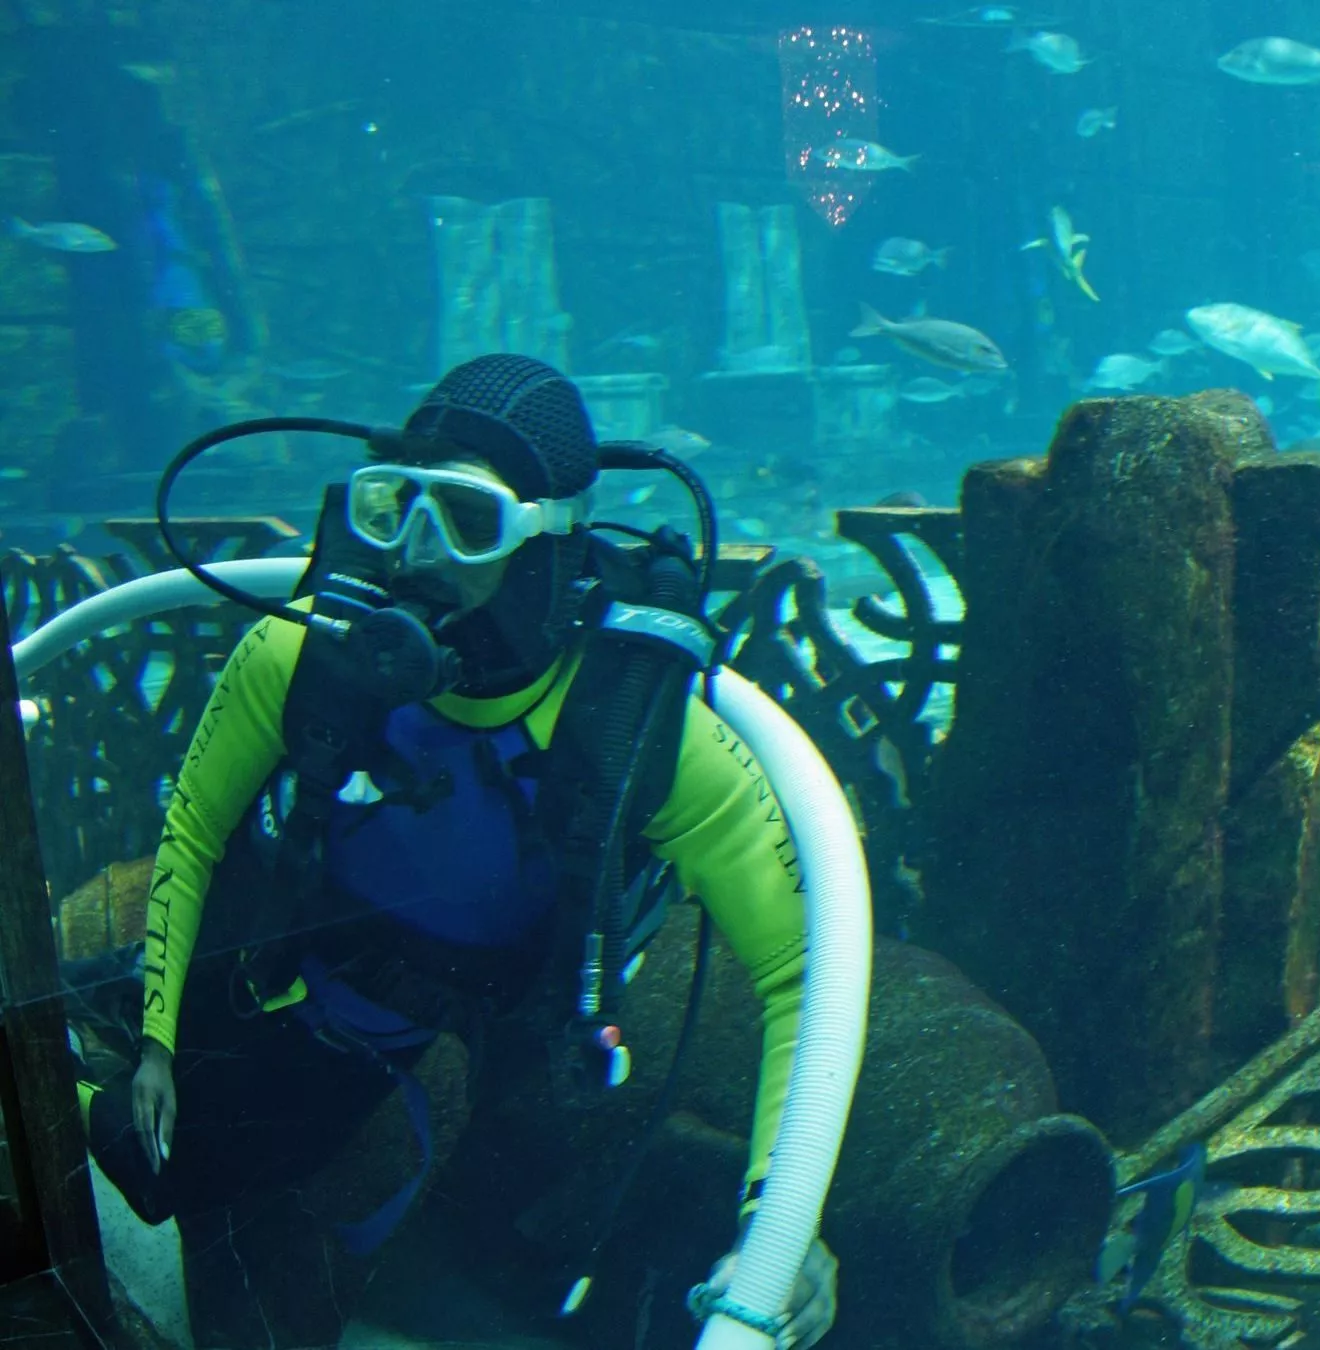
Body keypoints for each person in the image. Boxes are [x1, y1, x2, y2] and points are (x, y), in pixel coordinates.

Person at [77, 354, 838, 1348]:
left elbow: (798, 974)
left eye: (467, 522)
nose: (417, 555)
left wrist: (784, 1225)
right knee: (150, 1156)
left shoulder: (646, 732)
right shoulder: (300, 656)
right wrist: (158, 1051)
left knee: (467, 1304)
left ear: (545, 543)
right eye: (394, 508)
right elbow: (196, 827)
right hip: (327, 996)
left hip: (529, 1030)